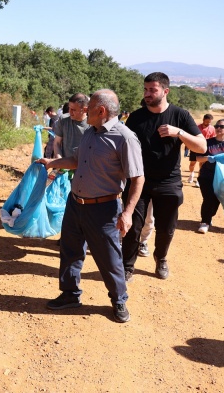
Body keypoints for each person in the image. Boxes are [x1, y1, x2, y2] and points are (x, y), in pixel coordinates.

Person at [37, 89, 144, 323]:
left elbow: (138, 178)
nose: (85, 110)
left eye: (89, 107)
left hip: (104, 210)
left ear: (101, 111)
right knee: (70, 250)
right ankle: (69, 294)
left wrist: (127, 213)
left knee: (109, 257)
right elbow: (76, 160)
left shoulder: (124, 137)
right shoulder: (90, 133)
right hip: (76, 203)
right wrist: (52, 162)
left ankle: (119, 300)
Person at [121, 72, 207, 281]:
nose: (147, 93)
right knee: (133, 227)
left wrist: (179, 133)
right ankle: (127, 266)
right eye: (146, 89)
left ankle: (161, 258)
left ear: (165, 91)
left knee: (166, 229)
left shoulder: (180, 116)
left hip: (169, 181)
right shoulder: (136, 117)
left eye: (153, 90)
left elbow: (202, 146)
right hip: (138, 181)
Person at [195, 119, 224, 233]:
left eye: (222, 126)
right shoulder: (208, 142)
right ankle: (204, 221)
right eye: (217, 126)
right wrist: (208, 158)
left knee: (217, 199)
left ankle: (209, 216)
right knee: (208, 198)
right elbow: (198, 158)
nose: (218, 128)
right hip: (207, 176)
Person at [53, 94, 90, 159]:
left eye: (73, 110)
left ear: (85, 110)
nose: (70, 112)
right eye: (69, 108)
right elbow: (57, 143)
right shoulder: (63, 119)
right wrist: (60, 160)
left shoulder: (92, 124)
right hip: (65, 166)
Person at [187, 114, 216, 186]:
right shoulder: (196, 127)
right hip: (195, 147)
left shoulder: (212, 128)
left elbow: (213, 139)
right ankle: (191, 174)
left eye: (210, 122)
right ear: (203, 120)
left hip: (205, 148)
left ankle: (198, 180)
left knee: (202, 165)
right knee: (192, 164)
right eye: (207, 122)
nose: (208, 124)